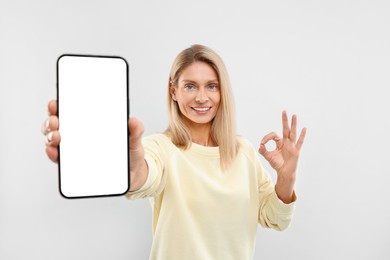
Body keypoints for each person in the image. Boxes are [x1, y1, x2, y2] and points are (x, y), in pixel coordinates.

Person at [42, 44, 307, 260]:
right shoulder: (161, 148)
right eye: (190, 86)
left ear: (222, 91)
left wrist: (287, 176)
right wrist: (131, 169)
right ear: (174, 91)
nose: (202, 98)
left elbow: (275, 219)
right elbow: (143, 177)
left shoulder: (244, 152)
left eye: (211, 86)